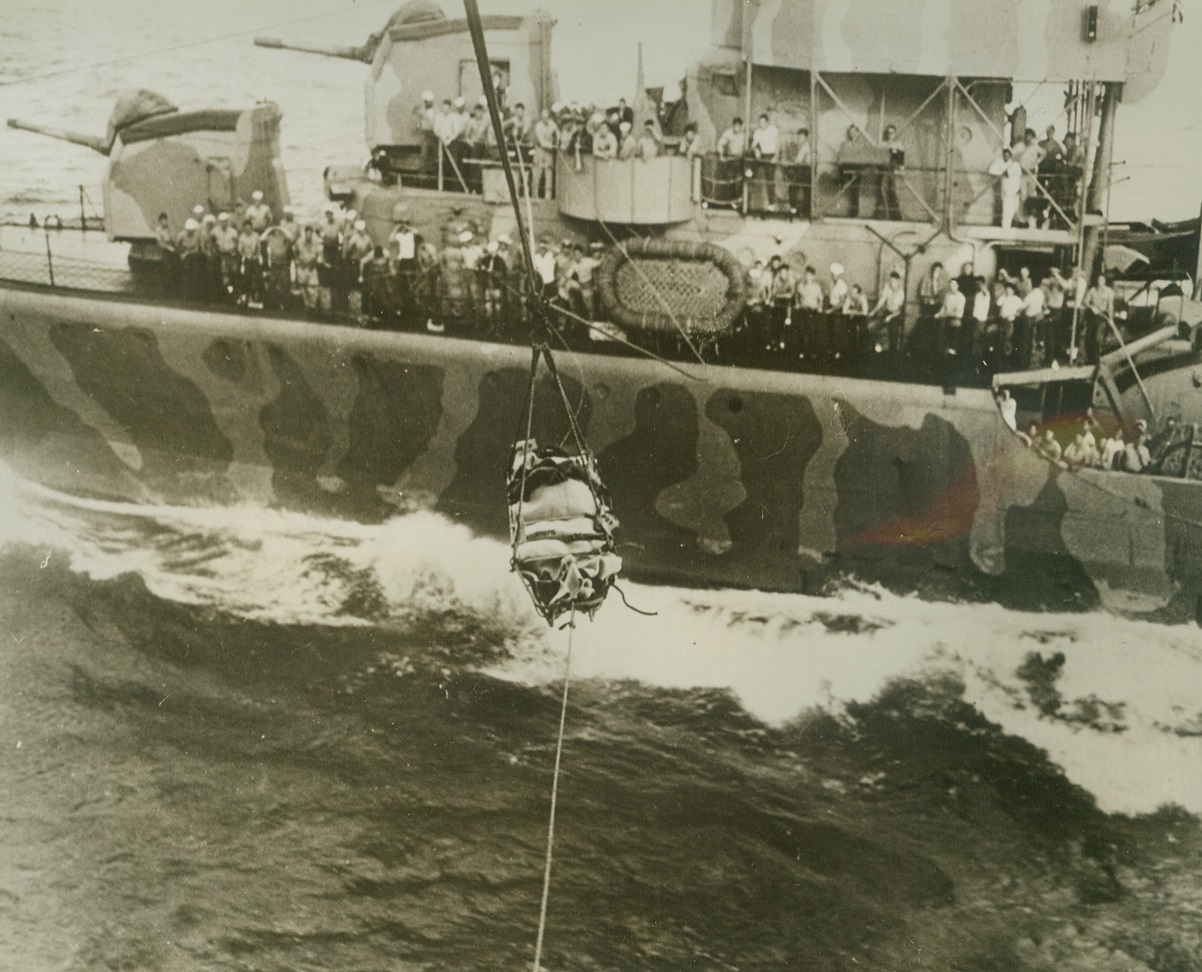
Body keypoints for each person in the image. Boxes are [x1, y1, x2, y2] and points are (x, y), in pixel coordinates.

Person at [868, 269, 906, 355]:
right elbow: (881, 301)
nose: (892, 283)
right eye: (891, 280)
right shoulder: (887, 288)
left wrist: (890, 317)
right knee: (871, 327)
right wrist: (874, 311)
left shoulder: (901, 293)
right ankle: (874, 349)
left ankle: (892, 357)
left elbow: (900, 310)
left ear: (898, 281)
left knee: (893, 336)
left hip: (896, 315)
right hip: (887, 312)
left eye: (894, 281)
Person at [1017, 128, 1046, 227]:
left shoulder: (1034, 147)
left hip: (1032, 174)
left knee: (1032, 196)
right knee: (1023, 196)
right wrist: (1019, 165)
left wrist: (1037, 162)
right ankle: (1022, 219)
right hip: (1023, 174)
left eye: (1030, 136)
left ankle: (1031, 219)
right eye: (1027, 136)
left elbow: (1043, 153)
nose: (1028, 138)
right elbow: (1012, 155)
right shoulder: (1020, 146)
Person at [988, 147, 1023, 228]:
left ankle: (1014, 229)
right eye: (1005, 154)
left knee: (1016, 212)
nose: (1006, 156)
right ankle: (1005, 230)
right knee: (1007, 212)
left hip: (1016, 192)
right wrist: (1001, 172)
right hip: (1007, 192)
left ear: (1011, 155)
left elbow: (1018, 176)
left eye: (1008, 154)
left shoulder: (1015, 164)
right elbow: (991, 170)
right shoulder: (1000, 162)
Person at [750, 113, 780, 208]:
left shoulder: (773, 130)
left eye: (763, 122)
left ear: (767, 122)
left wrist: (776, 157)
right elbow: (753, 145)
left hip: (771, 156)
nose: (761, 124)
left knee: (770, 179)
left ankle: (771, 204)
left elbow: (778, 145)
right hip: (761, 156)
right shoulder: (758, 132)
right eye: (760, 122)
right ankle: (747, 201)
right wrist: (756, 150)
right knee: (750, 175)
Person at [293, 224, 322, 311]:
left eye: (310, 233)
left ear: (312, 234)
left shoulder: (316, 242)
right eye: (307, 233)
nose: (308, 235)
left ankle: (313, 305)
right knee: (303, 286)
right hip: (302, 266)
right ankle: (307, 304)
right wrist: (298, 261)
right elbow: (294, 251)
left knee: (313, 286)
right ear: (305, 233)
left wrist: (312, 264)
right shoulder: (299, 242)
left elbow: (318, 255)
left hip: (311, 266)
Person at [879, 124, 905, 220]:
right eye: (888, 133)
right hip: (885, 170)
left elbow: (901, 159)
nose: (890, 135)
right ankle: (886, 216)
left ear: (895, 134)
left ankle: (897, 216)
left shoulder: (898, 144)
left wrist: (901, 170)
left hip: (894, 170)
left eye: (892, 133)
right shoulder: (883, 144)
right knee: (883, 191)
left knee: (894, 192)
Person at [935, 279, 966, 358]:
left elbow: (958, 313)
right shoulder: (947, 295)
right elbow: (944, 307)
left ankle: (952, 353)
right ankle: (942, 354)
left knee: (953, 331)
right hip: (946, 319)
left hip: (955, 319)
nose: (952, 287)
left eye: (954, 285)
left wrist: (944, 315)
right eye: (950, 285)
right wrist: (939, 313)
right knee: (939, 333)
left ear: (957, 286)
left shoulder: (961, 297)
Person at [532, 109, 559, 198]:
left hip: (549, 153)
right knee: (537, 173)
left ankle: (548, 196)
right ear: (541, 118)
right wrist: (553, 146)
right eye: (544, 117)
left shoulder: (552, 124)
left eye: (547, 117)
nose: (545, 119)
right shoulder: (538, 126)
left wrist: (557, 141)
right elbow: (542, 142)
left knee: (549, 174)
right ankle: (534, 195)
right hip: (540, 150)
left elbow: (558, 133)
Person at [236, 218, 263, 306]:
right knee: (247, 278)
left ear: (251, 227)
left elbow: (259, 248)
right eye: (246, 227)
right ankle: (247, 296)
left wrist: (255, 255)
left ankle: (258, 296)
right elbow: (240, 250)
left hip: (255, 259)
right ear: (244, 228)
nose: (248, 229)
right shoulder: (242, 237)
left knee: (259, 277)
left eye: (249, 227)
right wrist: (246, 255)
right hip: (247, 259)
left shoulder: (256, 236)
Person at [786, 127, 812, 215]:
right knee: (806, 191)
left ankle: (794, 209)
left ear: (806, 138)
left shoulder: (806, 147)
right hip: (805, 171)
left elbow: (799, 161)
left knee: (792, 187)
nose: (799, 139)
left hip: (805, 171)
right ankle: (805, 210)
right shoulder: (805, 147)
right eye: (799, 137)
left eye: (801, 137)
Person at [415, 89, 437, 172]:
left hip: (433, 134)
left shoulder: (435, 110)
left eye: (429, 101)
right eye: (427, 101)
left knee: (434, 155)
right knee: (424, 154)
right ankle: (424, 172)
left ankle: (434, 172)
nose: (428, 103)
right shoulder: (422, 111)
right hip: (425, 134)